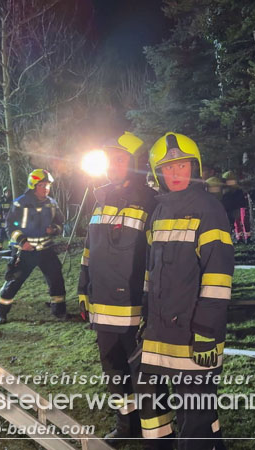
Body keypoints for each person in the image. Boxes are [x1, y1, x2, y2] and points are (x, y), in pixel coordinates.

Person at [135, 132, 234, 449]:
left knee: (196, 419)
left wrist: (207, 329)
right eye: (168, 167)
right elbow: (153, 273)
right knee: (155, 404)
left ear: (194, 167)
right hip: (161, 332)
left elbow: (218, 277)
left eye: (182, 165)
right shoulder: (159, 212)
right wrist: (146, 316)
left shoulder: (209, 208)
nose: (176, 173)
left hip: (195, 336)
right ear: (157, 173)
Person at [76, 132, 158, 443]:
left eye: (120, 160)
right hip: (103, 308)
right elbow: (89, 250)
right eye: (109, 160)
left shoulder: (150, 204)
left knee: (144, 374)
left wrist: (150, 304)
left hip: (135, 310)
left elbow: (155, 259)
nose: (112, 166)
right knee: (114, 371)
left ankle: (155, 432)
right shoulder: (101, 200)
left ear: (135, 164)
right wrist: (84, 289)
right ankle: (126, 427)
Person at [0, 169, 66, 324]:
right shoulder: (20, 203)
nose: (46, 188)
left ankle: (59, 310)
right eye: (42, 185)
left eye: (47, 185)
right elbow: (10, 226)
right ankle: (2, 312)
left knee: (56, 279)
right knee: (14, 281)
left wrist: (54, 229)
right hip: (25, 252)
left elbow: (60, 223)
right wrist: (22, 242)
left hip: (46, 250)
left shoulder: (52, 204)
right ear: (33, 186)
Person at [220, 171, 249, 243]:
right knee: (237, 222)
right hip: (235, 207)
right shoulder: (228, 190)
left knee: (243, 220)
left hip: (239, 206)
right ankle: (240, 237)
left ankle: (246, 237)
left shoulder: (237, 190)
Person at [0, 186, 12, 251]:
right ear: (4, 193)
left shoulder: (12, 200)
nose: (8, 193)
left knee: (10, 233)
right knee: (1, 234)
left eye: (9, 192)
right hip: (3, 221)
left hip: (10, 220)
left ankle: (11, 246)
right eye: (6, 192)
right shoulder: (1, 201)